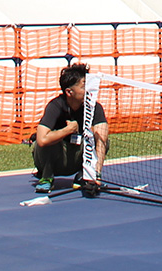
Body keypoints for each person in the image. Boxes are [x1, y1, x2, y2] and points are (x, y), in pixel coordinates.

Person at [32, 64, 108, 195]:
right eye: (84, 87)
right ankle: (46, 177)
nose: (88, 90)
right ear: (69, 92)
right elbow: (41, 140)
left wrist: (96, 174)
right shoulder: (55, 106)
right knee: (49, 140)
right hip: (54, 158)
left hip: (77, 156)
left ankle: (85, 175)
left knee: (101, 138)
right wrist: (67, 130)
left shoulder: (95, 107)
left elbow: (102, 136)